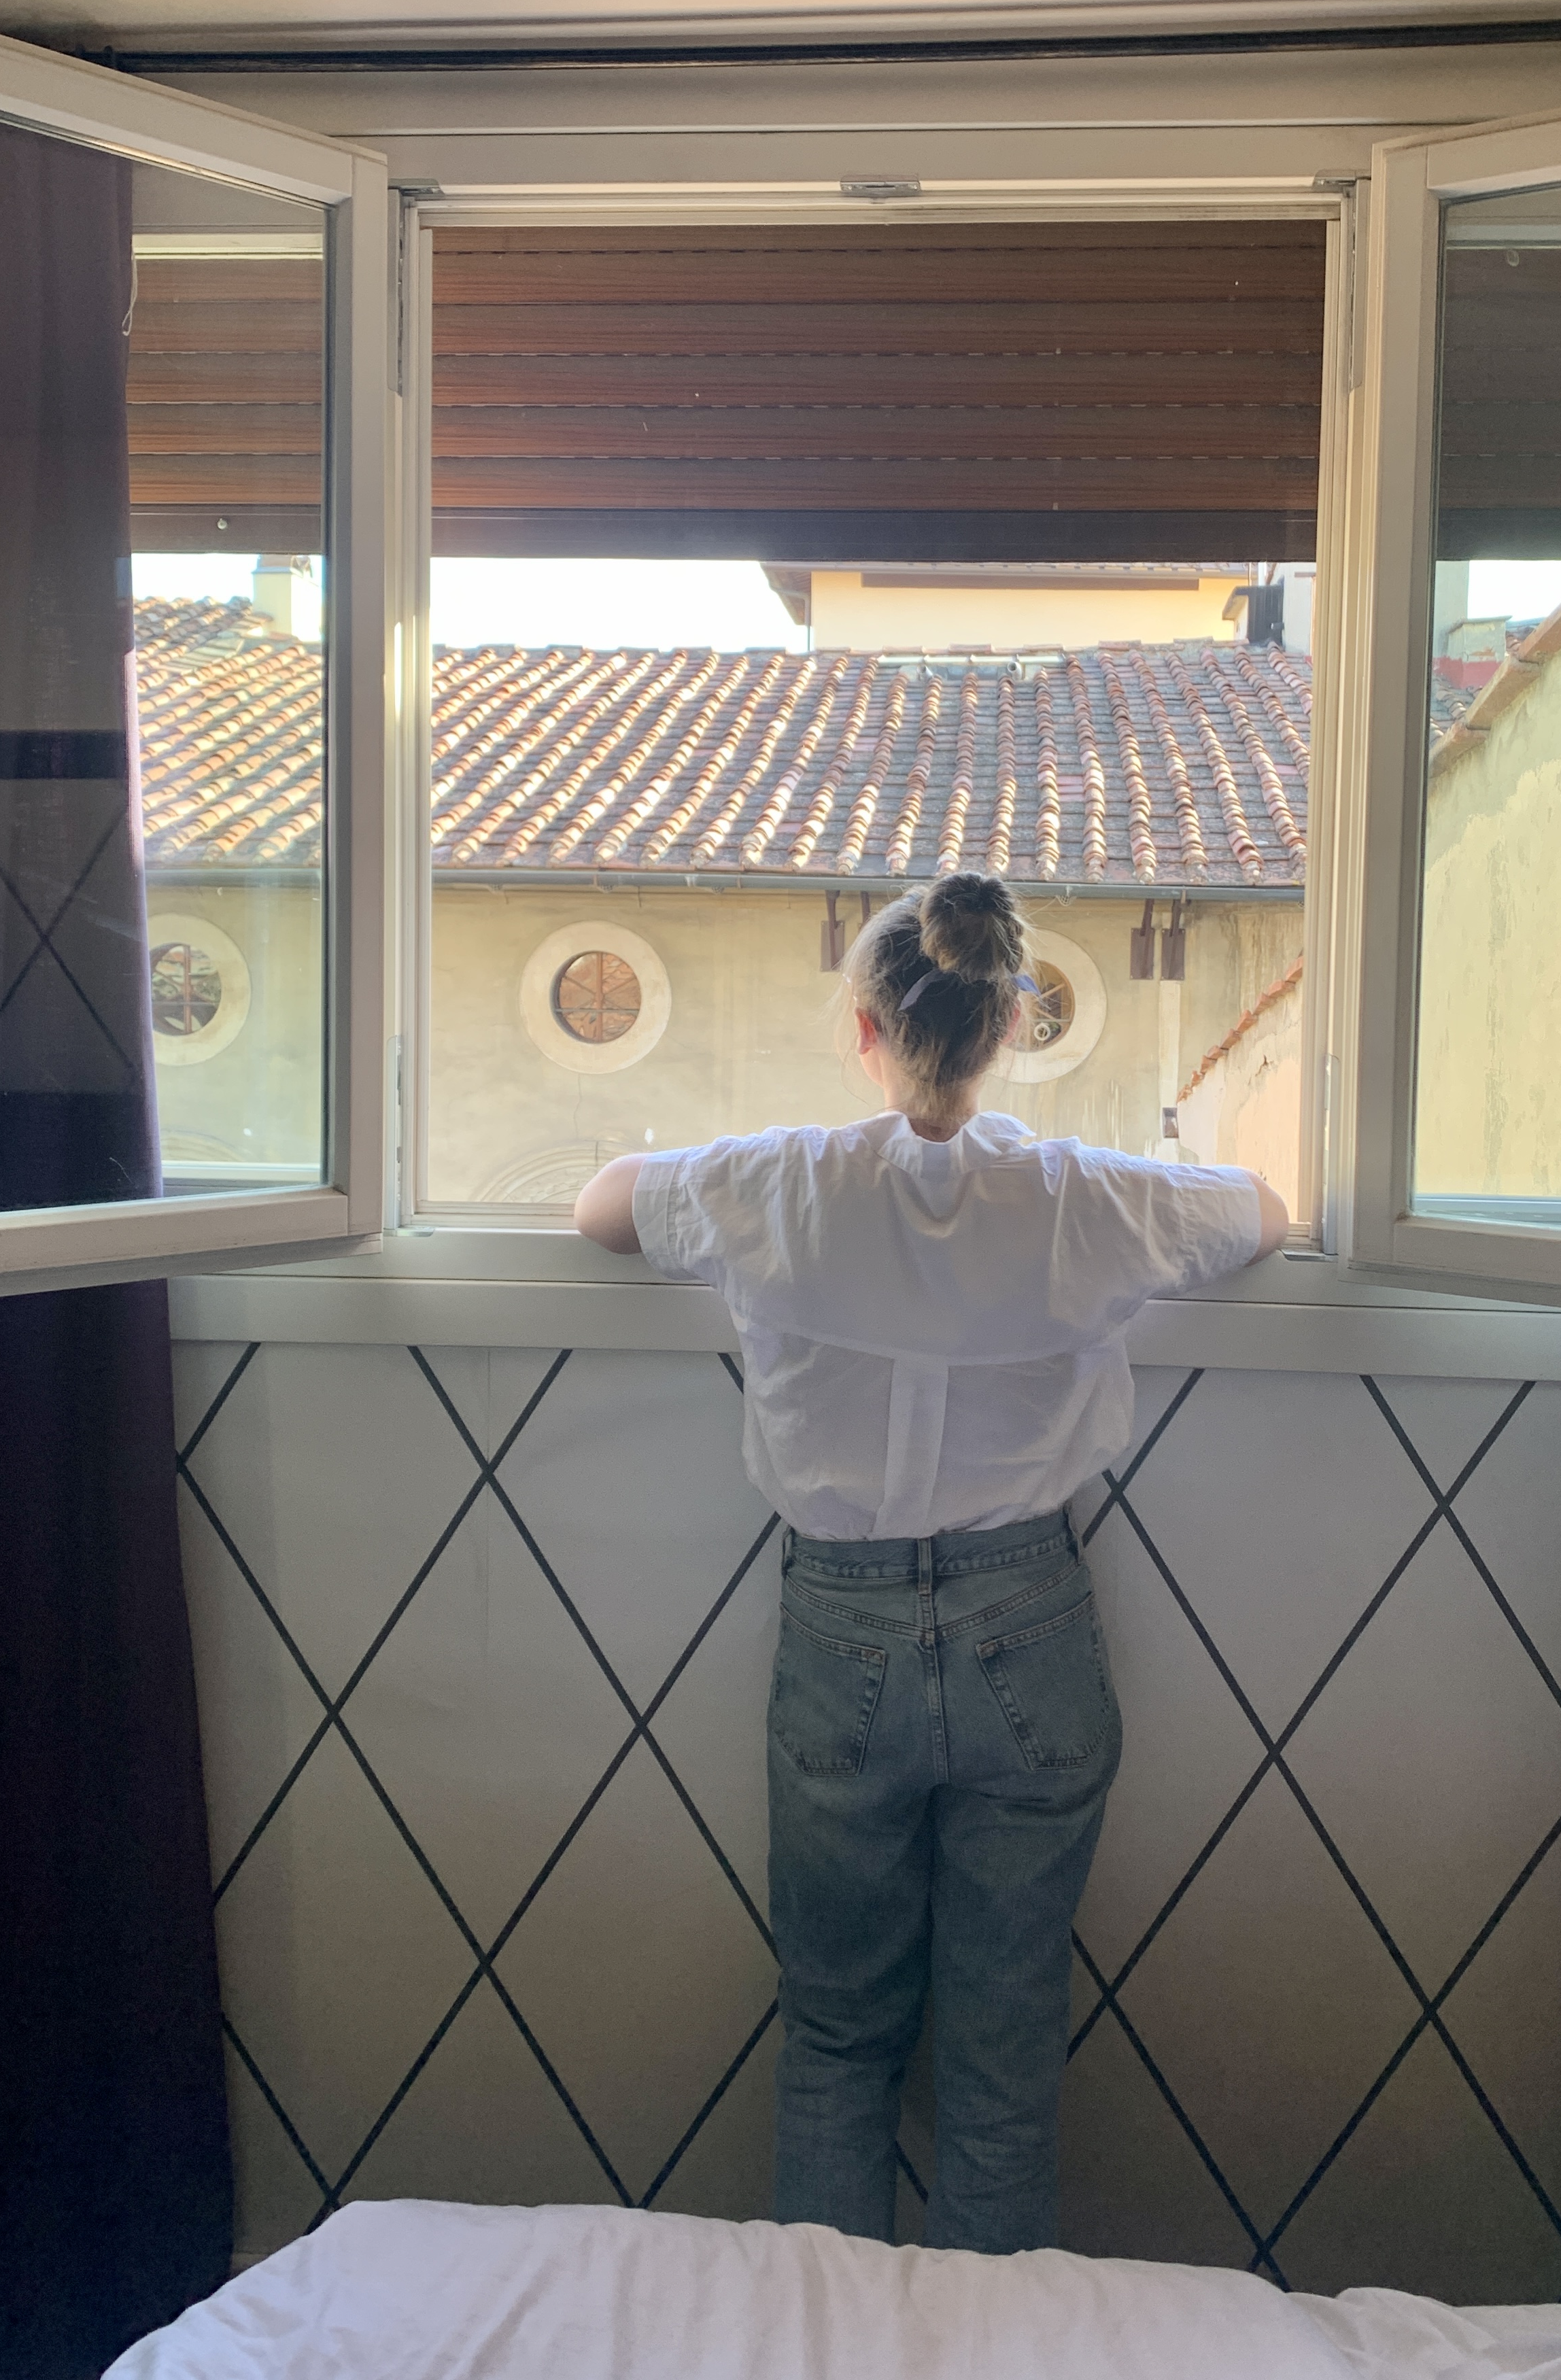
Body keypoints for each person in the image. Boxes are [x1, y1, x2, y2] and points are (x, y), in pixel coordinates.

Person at [574, 873, 1287, 2256]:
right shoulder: (1081, 1197)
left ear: (866, 1028)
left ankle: (826, 2348)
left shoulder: (779, 1184)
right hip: (1034, 1615)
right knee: (1003, 2061)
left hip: (838, 1632)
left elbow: (602, 1207)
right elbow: (1257, 1208)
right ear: (1012, 1021)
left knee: (839, 2042)